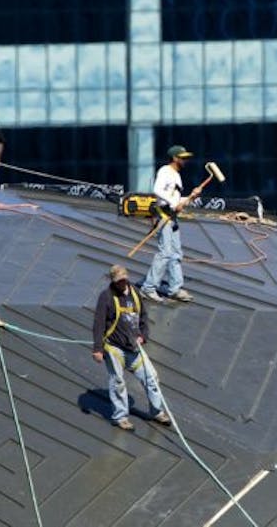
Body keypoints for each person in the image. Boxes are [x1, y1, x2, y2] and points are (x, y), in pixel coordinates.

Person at [92, 264, 171, 430]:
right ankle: (120, 417)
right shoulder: (106, 297)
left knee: (151, 377)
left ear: (127, 278)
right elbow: (98, 323)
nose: (121, 284)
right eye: (118, 281)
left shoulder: (135, 293)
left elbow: (143, 316)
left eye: (123, 280)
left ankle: (156, 412)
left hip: (134, 348)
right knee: (118, 382)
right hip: (115, 348)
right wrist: (98, 349)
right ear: (113, 281)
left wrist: (144, 335)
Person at [140, 145, 200, 303]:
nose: (186, 160)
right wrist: (174, 203)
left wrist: (191, 197)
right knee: (165, 252)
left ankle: (175, 288)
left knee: (176, 253)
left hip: (171, 217)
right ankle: (148, 288)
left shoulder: (176, 176)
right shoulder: (165, 171)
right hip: (164, 215)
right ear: (175, 158)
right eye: (183, 157)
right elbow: (157, 190)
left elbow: (175, 199)